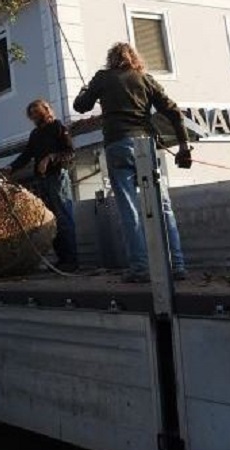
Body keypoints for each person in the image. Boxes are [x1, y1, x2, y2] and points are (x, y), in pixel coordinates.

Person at [72, 42, 191, 282]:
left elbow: (80, 106)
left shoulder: (103, 78)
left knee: (129, 209)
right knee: (162, 205)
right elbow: (174, 112)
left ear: (110, 59)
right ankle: (177, 264)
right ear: (134, 58)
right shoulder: (145, 79)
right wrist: (184, 146)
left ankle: (140, 268)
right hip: (145, 145)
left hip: (117, 144)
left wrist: (87, 91)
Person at [1, 98, 80, 272]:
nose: (34, 117)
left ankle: (71, 259)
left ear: (46, 110)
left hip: (57, 177)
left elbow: (70, 152)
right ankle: (62, 259)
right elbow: (27, 155)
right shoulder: (35, 135)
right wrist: (11, 167)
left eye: (37, 112)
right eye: (32, 115)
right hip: (42, 180)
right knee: (51, 220)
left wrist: (50, 157)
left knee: (63, 217)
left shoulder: (58, 127)